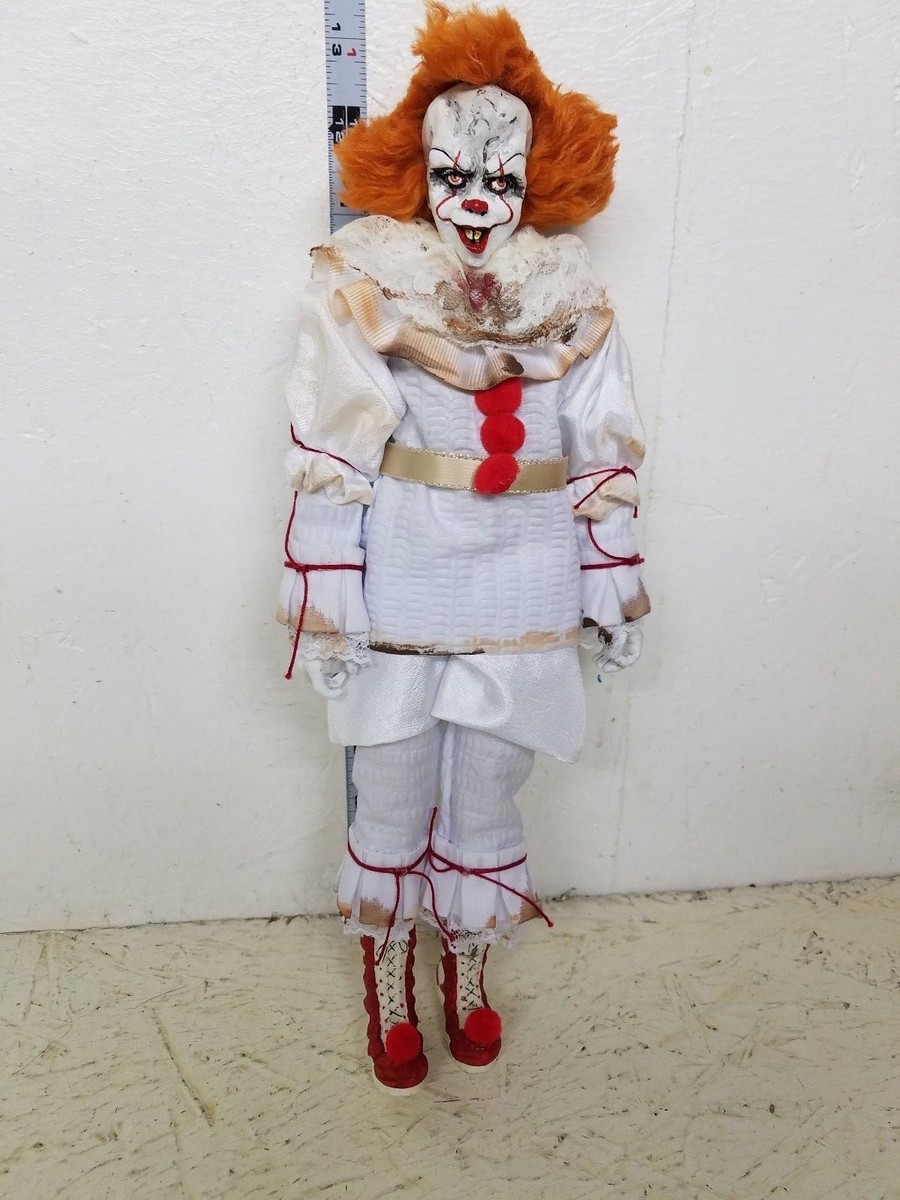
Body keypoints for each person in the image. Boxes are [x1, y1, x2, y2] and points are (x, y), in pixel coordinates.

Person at [277, 2, 649, 1092]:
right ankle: (389, 969)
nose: (478, 200)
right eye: (453, 175)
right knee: (392, 779)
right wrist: (329, 604)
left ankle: (469, 960)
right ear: (417, 174)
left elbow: (602, 446)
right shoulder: (370, 285)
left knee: (491, 781)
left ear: (540, 180)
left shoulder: (571, 301)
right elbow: (332, 442)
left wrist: (612, 582)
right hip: (408, 563)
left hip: (526, 568)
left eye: (502, 177)